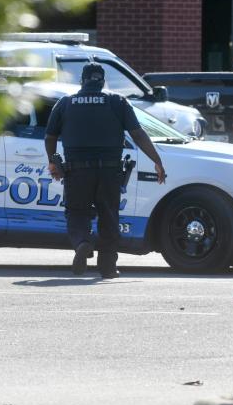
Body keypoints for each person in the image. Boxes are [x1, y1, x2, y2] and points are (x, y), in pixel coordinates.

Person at [45, 63, 165, 278]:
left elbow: (50, 136)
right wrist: (157, 161)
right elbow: (138, 134)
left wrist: (54, 161)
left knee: (77, 213)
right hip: (110, 171)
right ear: (102, 81)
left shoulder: (66, 103)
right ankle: (108, 268)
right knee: (109, 216)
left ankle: (83, 241)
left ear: (82, 81)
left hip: (77, 171)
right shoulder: (117, 101)